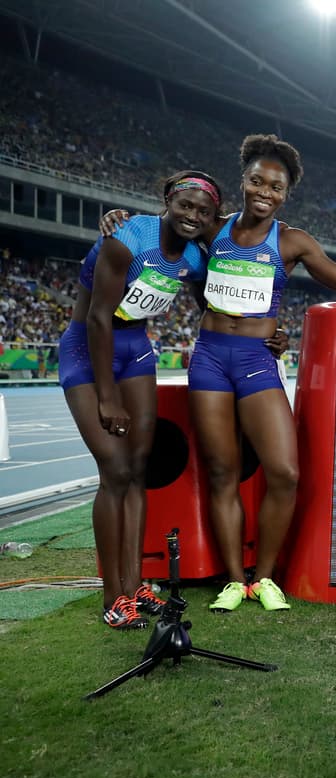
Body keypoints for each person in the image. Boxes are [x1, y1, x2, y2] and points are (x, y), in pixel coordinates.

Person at [103, 134, 336, 614]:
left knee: (284, 472)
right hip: (209, 357)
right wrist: (118, 220)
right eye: (256, 181)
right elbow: (168, 228)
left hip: (255, 362)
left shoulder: (293, 242)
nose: (264, 192)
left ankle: (265, 576)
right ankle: (234, 582)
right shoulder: (214, 230)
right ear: (244, 182)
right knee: (221, 472)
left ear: (286, 193)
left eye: (276, 186)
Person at [63, 170, 221, 629]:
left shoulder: (194, 255)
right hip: (89, 349)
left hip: (136, 351)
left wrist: (264, 334)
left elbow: (213, 302)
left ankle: (137, 587)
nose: (192, 216)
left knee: (137, 470)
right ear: (167, 201)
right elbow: (96, 319)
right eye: (185, 205)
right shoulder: (128, 237)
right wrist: (108, 399)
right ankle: (113, 596)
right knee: (114, 469)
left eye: (203, 211)